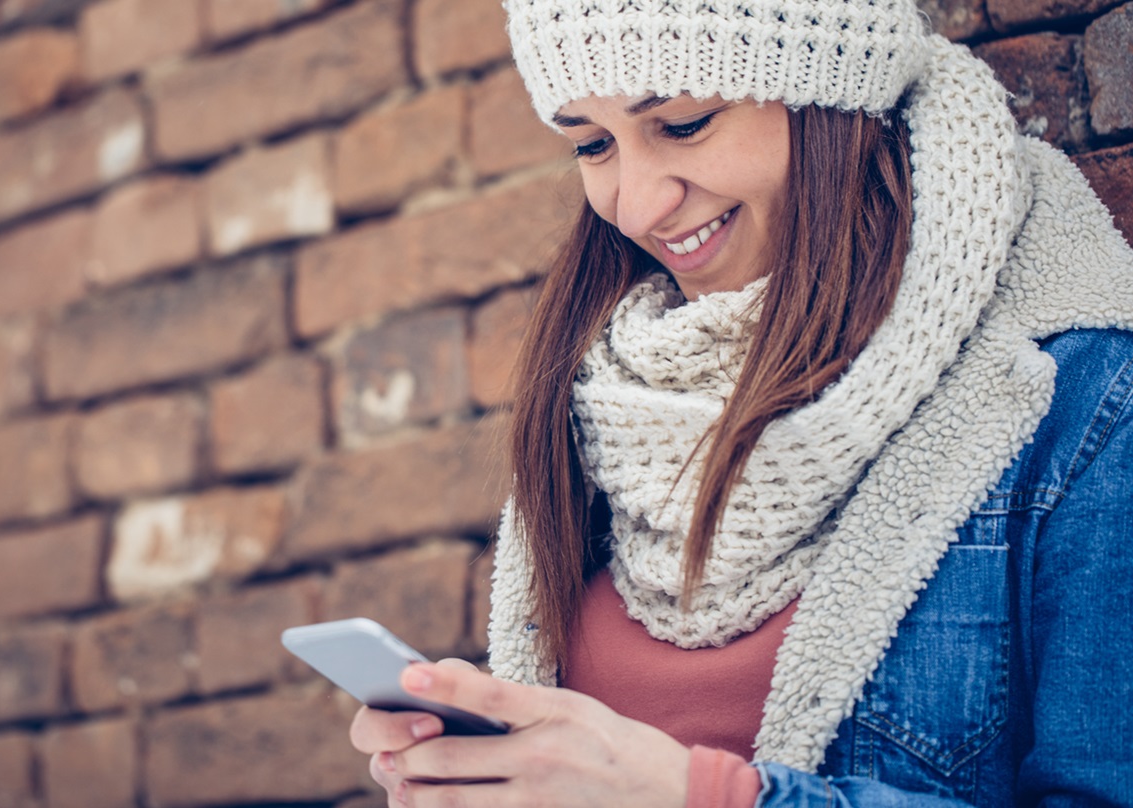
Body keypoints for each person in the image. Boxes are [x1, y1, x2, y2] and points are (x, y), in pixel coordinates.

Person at [348, 0, 1133, 805]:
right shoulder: (607, 397)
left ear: (827, 91)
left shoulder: (1078, 401)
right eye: (591, 145)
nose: (637, 205)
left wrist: (699, 794)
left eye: (682, 124)